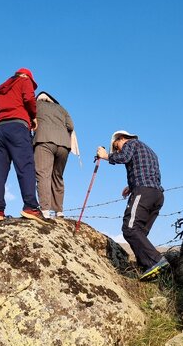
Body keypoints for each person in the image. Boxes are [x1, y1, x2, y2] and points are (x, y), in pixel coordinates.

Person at [96, 131, 169, 280]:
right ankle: (148, 268)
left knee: (129, 228)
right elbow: (147, 171)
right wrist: (131, 186)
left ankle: (156, 261)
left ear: (121, 138)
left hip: (144, 192)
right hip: (157, 195)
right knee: (140, 233)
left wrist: (106, 156)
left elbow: (124, 157)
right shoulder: (150, 151)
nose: (117, 150)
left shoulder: (131, 143)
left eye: (116, 147)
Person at [0, 68, 47, 223]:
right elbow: (29, 99)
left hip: (0, 131)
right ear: (27, 77)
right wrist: (33, 117)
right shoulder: (24, 81)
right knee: (25, 166)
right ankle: (30, 206)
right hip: (18, 128)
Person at [32, 92, 79, 219]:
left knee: (43, 175)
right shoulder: (61, 108)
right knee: (57, 176)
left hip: (44, 141)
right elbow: (71, 126)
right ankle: (59, 211)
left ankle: (45, 210)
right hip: (64, 145)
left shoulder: (35, 105)